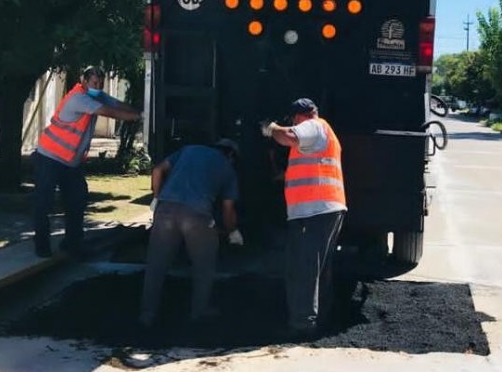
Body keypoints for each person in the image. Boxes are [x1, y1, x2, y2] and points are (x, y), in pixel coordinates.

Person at [33, 66, 142, 259]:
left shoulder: (96, 96)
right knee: (44, 202)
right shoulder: (78, 98)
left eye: (101, 83)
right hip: (50, 156)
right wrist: (137, 117)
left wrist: (139, 112)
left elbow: (116, 104)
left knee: (77, 200)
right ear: (84, 81)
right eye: (94, 83)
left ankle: (72, 243)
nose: (98, 86)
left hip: (70, 162)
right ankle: (42, 246)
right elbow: (110, 112)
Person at [261, 98, 346, 338]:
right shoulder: (320, 139)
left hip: (314, 212)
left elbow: (287, 136)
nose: (294, 124)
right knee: (319, 268)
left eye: (293, 120)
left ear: (302, 115)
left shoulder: (314, 125)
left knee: (303, 268)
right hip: (326, 208)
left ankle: (302, 324)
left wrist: (271, 128)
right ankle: (322, 319)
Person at [138, 139, 243, 327]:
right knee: (204, 265)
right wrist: (232, 231)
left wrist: (156, 197)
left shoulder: (189, 150)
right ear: (231, 155)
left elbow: (157, 170)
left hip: (165, 211)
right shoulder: (228, 168)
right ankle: (199, 311)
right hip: (197, 215)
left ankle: (147, 314)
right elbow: (228, 209)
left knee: (156, 265)